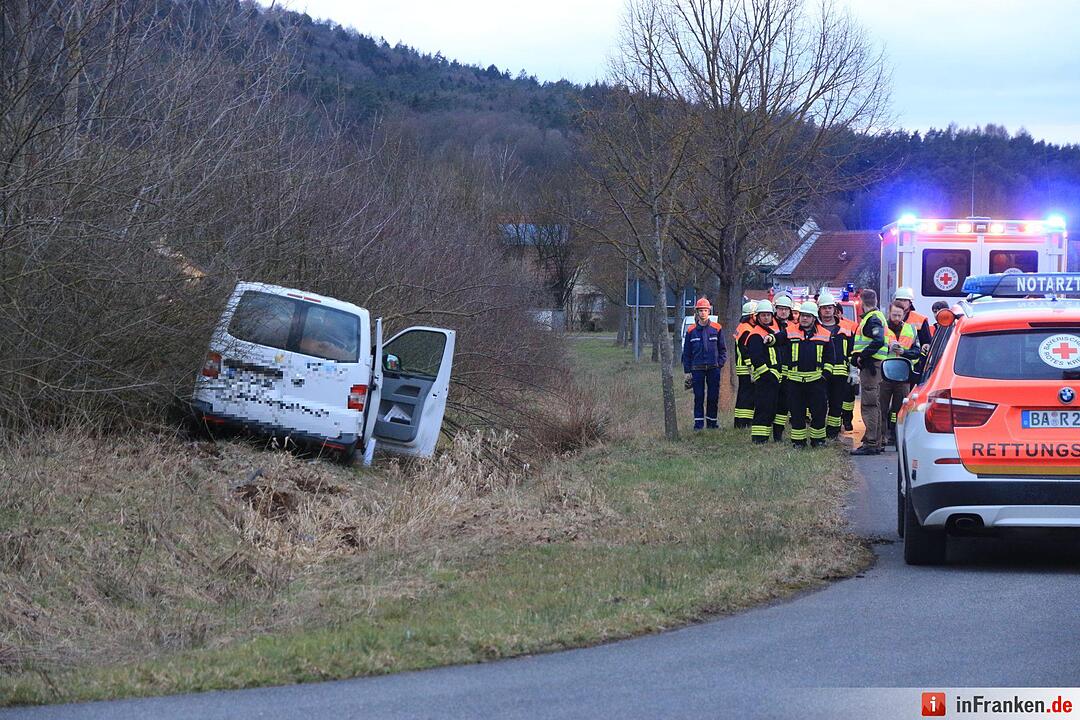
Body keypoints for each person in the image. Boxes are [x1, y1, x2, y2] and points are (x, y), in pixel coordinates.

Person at [785, 301, 835, 448]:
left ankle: (818, 441)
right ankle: (798, 442)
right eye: (802, 316)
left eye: (808, 316)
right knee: (797, 413)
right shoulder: (790, 331)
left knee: (819, 412)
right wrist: (770, 339)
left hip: (816, 381)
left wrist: (825, 375)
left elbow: (830, 359)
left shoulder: (825, 334)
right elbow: (778, 339)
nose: (804, 319)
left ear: (814, 318)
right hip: (795, 381)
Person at [849, 289, 887, 456]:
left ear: (861, 302)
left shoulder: (872, 319)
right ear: (876, 300)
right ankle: (876, 442)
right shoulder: (876, 317)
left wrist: (862, 357)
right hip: (875, 366)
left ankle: (871, 443)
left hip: (871, 368)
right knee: (875, 404)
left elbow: (878, 341)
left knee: (869, 404)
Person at [879, 302, 920, 448]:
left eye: (899, 315)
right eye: (894, 314)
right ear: (889, 314)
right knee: (881, 408)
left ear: (904, 315)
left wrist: (904, 352)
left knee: (899, 410)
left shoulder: (911, 329)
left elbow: (917, 352)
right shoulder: (882, 329)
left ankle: (896, 437)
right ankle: (881, 437)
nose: (896, 318)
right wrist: (887, 347)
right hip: (884, 374)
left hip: (903, 376)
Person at [681, 297, 726, 430]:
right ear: (697, 312)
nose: (703, 313)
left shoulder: (717, 328)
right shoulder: (691, 330)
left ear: (709, 311)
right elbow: (687, 353)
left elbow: (723, 349)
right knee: (699, 397)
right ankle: (698, 424)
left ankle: (712, 423)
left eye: (705, 310)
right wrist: (687, 371)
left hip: (713, 369)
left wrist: (719, 364)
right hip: (697, 369)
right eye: (700, 311)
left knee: (713, 397)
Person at [816, 291, 854, 439]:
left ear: (834, 309)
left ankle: (833, 432)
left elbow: (852, 351)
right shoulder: (815, 328)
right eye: (824, 308)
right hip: (821, 373)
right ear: (819, 309)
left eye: (829, 307)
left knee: (836, 404)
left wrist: (853, 370)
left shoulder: (846, 328)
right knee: (820, 403)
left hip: (840, 373)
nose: (827, 310)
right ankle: (819, 431)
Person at [745, 300, 783, 444]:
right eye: (763, 315)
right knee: (763, 408)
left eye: (768, 315)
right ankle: (759, 439)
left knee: (770, 408)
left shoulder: (770, 333)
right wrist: (767, 375)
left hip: (772, 377)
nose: (766, 318)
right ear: (757, 317)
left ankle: (764, 438)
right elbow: (756, 358)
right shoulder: (756, 335)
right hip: (765, 378)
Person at [771, 294, 797, 441]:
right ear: (776, 309)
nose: (783, 312)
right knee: (770, 402)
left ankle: (778, 433)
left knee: (784, 404)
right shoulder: (769, 324)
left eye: (786, 309)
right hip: (773, 369)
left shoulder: (794, 327)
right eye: (780, 309)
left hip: (788, 371)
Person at [893, 287, 933, 383]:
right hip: (891, 364)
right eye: (899, 300)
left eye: (904, 300)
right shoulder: (890, 318)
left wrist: (925, 347)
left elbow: (927, 341)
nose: (902, 303)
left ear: (910, 303)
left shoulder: (919, 319)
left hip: (913, 364)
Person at [732, 301, 758, 428]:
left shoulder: (741, 327)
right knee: (747, 396)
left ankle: (741, 421)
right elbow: (746, 352)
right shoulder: (747, 330)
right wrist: (751, 368)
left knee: (743, 394)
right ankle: (744, 422)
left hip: (742, 368)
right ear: (751, 316)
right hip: (747, 369)